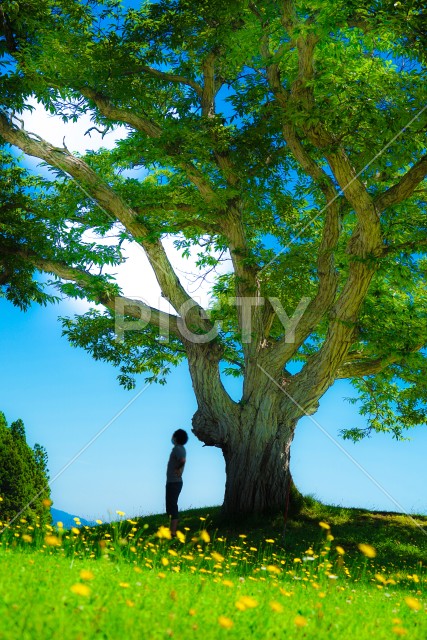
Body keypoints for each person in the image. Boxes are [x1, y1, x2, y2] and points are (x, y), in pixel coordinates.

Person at [166, 429, 188, 537]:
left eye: (173, 436)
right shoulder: (178, 449)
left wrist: (176, 469)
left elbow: (182, 460)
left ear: (176, 438)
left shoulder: (178, 449)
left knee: (172, 506)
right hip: (172, 481)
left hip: (175, 482)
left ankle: (173, 532)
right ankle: (171, 530)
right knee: (170, 506)